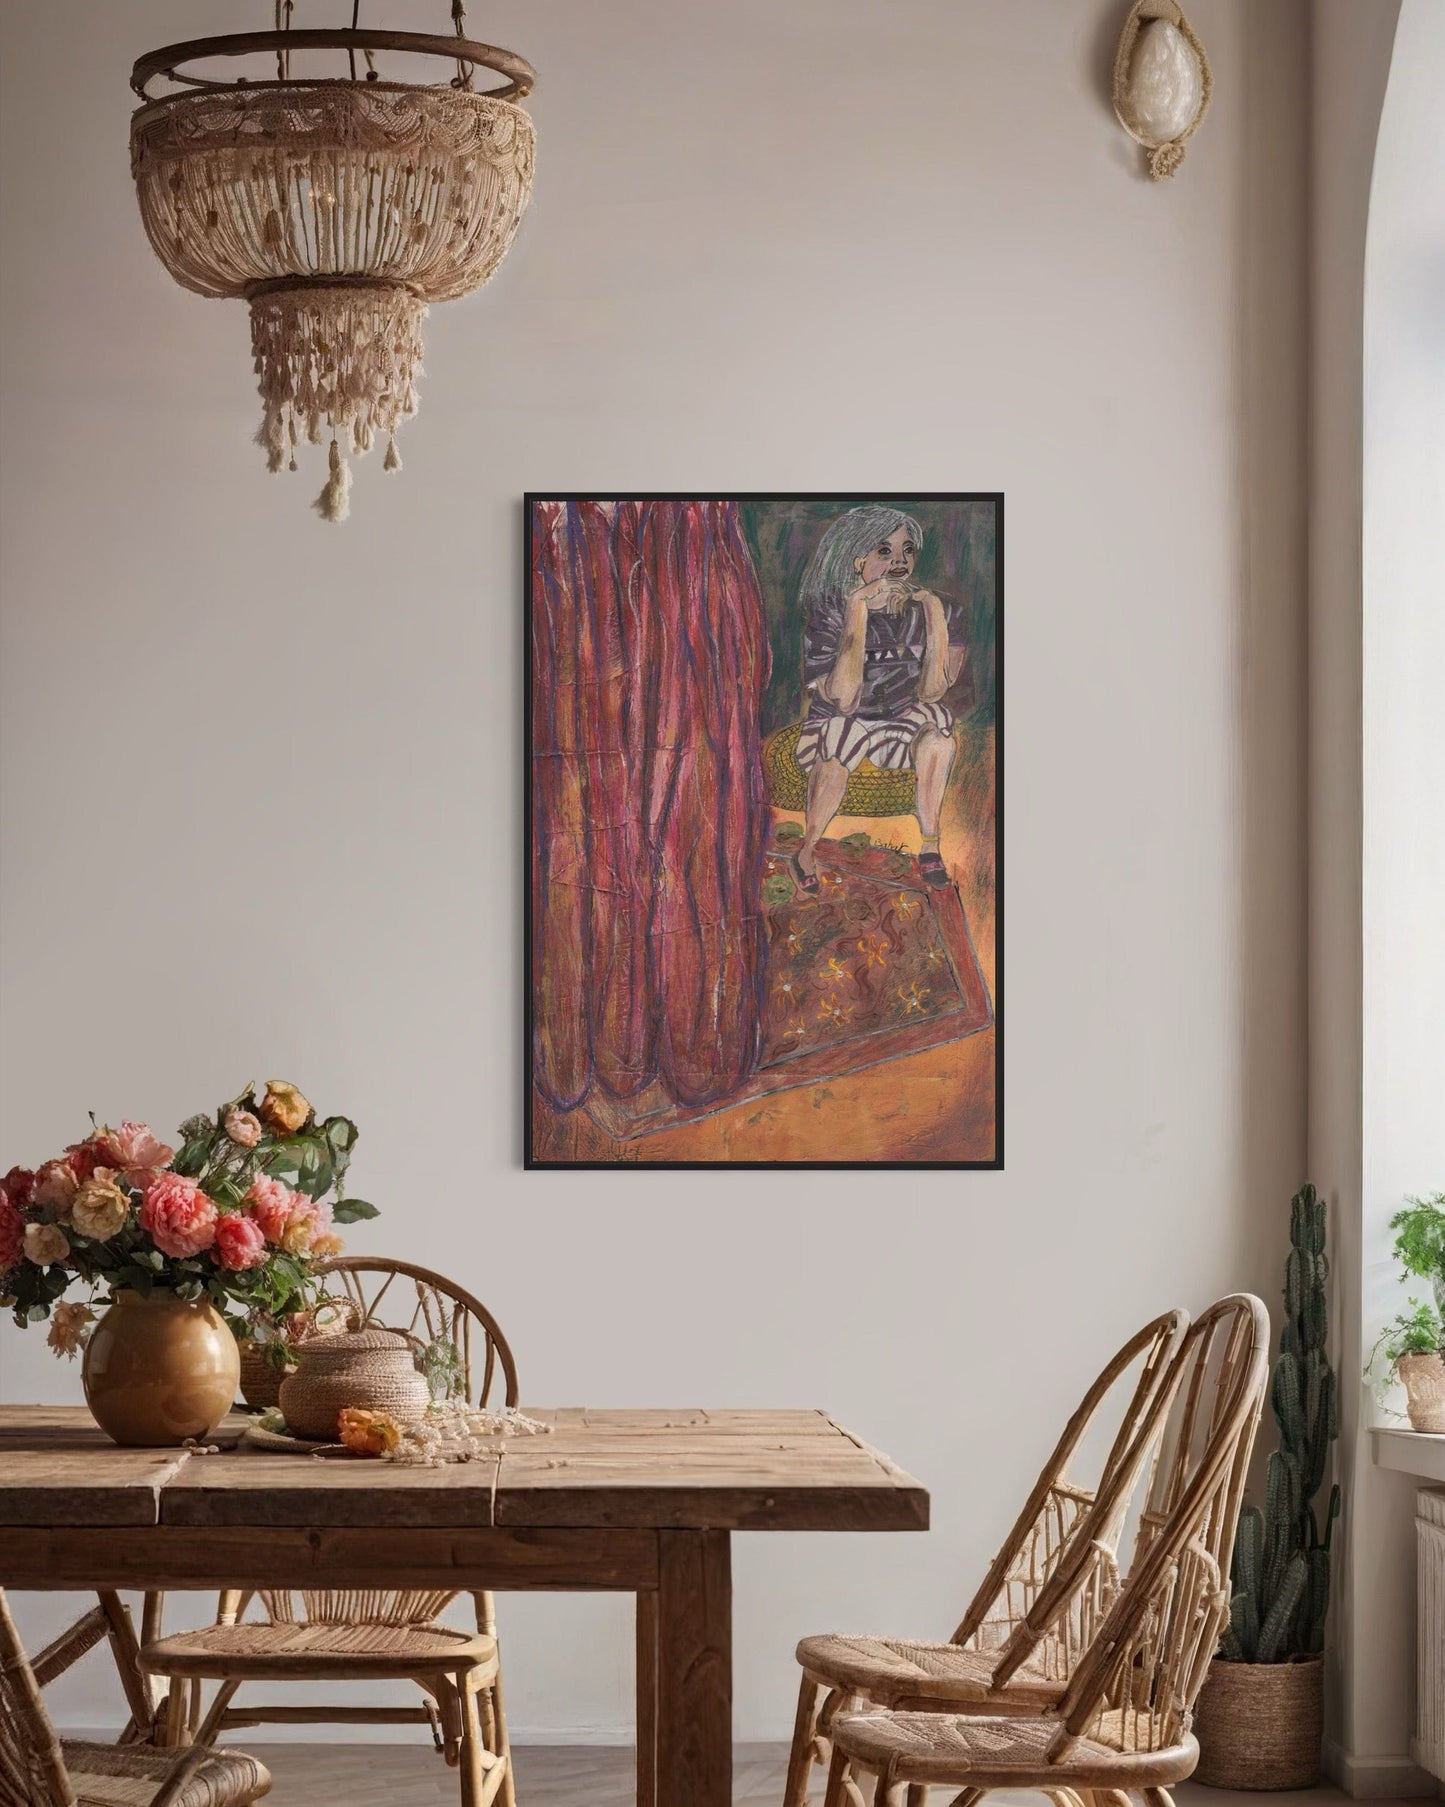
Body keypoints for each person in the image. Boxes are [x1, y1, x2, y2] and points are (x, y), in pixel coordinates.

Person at [792, 505, 968, 889]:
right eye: (884, 551)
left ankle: (930, 847)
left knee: (939, 737)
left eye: (907, 550)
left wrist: (933, 612)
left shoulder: (939, 608)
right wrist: (857, 608)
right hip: (839, 720)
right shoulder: (830, 613)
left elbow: (932, 692)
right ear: (858, 561)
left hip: (899, 719)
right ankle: (807, 850)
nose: (899, 561)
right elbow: (843, 700)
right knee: (838, 740)